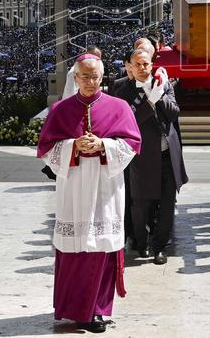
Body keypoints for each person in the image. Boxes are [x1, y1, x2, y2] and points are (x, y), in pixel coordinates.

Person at [38, 54, 141, 333]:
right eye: (85, 76)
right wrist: (74, 146)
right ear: (75, 77)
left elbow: (132, 144)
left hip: (105, 188)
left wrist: (104, 146)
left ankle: (96, 310)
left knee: (102, 248)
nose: (90, 81)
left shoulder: (118, 108)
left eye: (95, 76)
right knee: (75, 251)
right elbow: (46, 149)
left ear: (102, 77)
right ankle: (72, 308)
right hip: (74, 189)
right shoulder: (61, 110)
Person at [112, 48, 186, 265]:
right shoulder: (123, 90)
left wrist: (160, 96)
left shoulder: (163, 83)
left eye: (146, 64)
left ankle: (159, 247)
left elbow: (174, 113)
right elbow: (127, 122)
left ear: (152, 64)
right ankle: (142, 242)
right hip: (142, 157)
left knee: (167, 204)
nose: (143, 68)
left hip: (166, 155)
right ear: (131, 68)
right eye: (138, 64)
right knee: (140, 204)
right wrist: (148, 103)